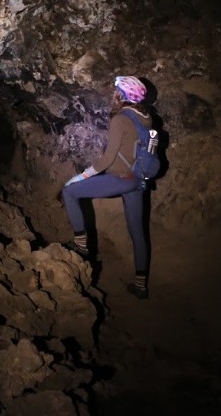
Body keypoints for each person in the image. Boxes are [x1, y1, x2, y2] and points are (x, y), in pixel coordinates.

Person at [61, 75, 153, 300]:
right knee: (137, 232)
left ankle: (81, 246)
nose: (113, 94)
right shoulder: (147, 118)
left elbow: (107, 160)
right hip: (139, 181)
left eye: (116, 90)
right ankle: (141, 286)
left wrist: (80, 177)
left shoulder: (121, 119)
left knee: (70, 192)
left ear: (122, 95)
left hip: (121, 178)